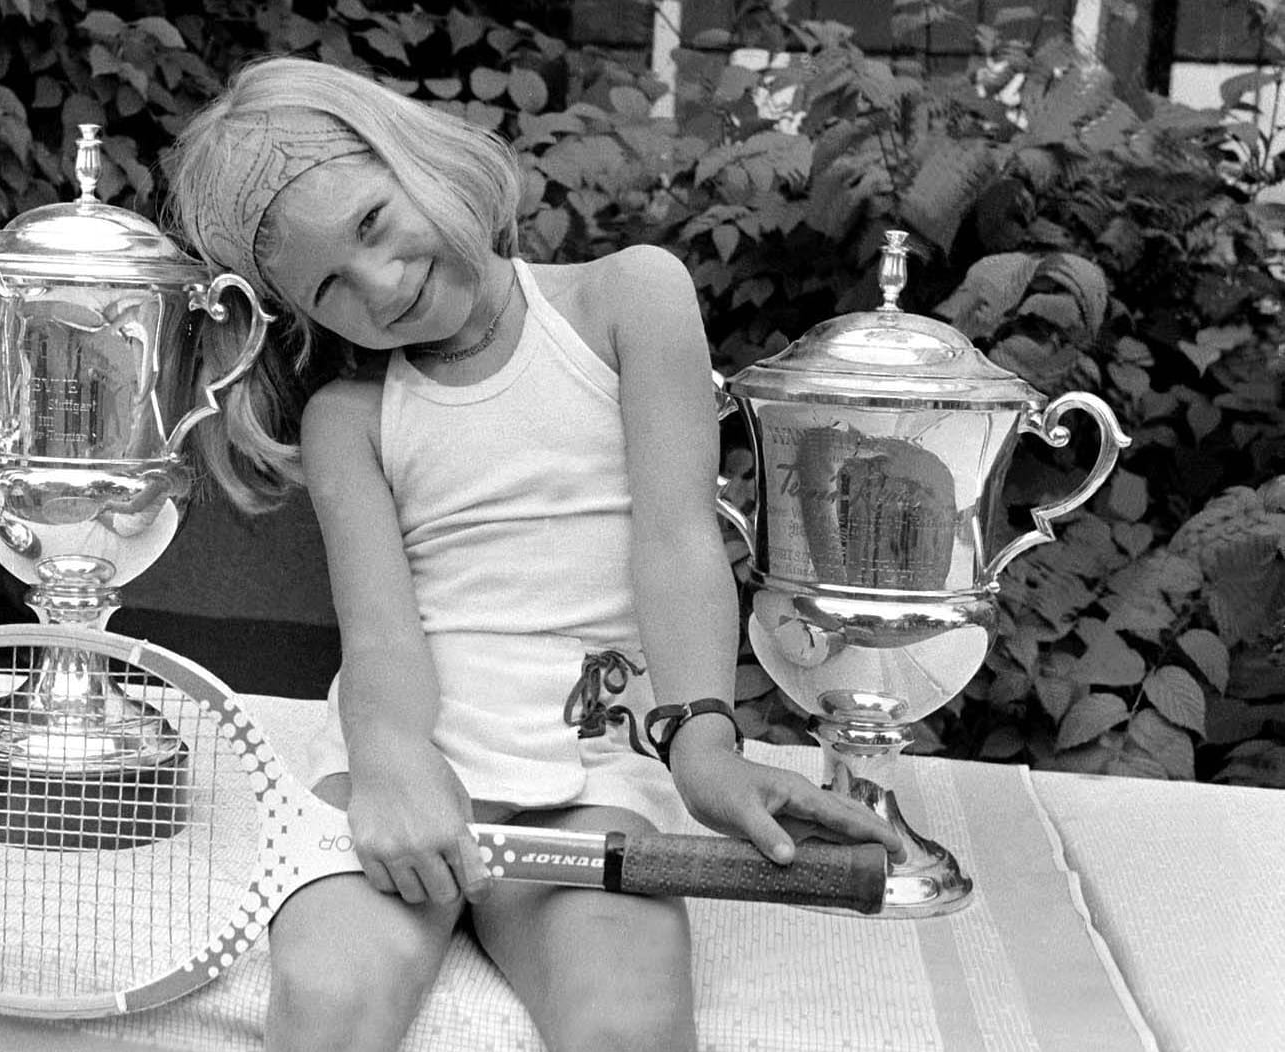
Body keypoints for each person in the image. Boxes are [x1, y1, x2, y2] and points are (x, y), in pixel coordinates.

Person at [164, 56, 903, 1052]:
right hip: (398, 778)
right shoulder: (351, 419)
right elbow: (379, 631)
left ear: (419, 159)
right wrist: (390, 766)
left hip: (586, 779)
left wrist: (703, 744)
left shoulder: (628, 299)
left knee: (627, 1024)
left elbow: (677, 538)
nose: (381, 283)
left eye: (375, 222)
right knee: (328, 1005)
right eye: (331, 284)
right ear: (301, 316)